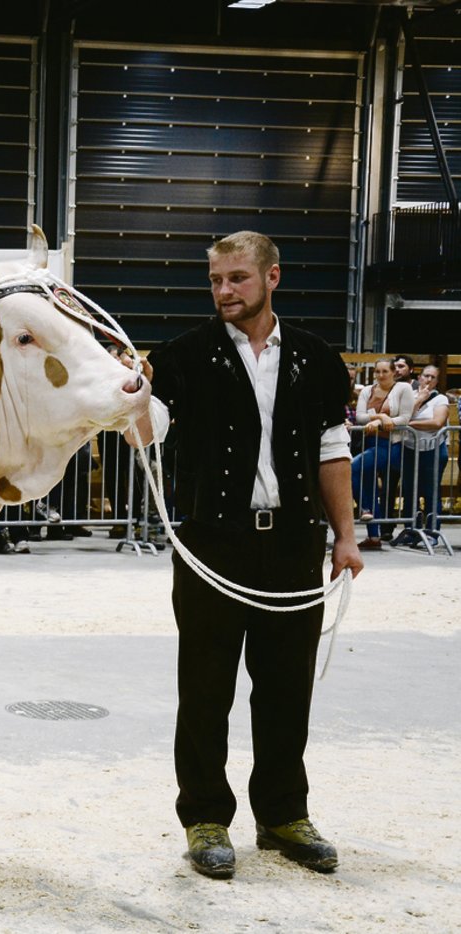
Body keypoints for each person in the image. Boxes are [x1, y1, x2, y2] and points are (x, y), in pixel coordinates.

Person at [124, 230, 363, 881]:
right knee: (204, 686)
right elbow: (147, 434)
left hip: (294, 544)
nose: (225, 291)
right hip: (211, 543)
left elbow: (331, 451)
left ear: (272, 278)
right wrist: (131, 398)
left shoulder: (317, 359)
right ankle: (205, 817)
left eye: (238, 279)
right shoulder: (179, 357)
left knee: (286, 688)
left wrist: (345, 535)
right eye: (216, 281)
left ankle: (284, 815)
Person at [350, 358, 414, 548]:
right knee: (368, 486)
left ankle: (364, 507)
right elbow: (359, 416)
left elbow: (405, 418)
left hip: (390, 445)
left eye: (385, 371)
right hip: (368, 442)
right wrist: (380, 416)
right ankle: (374, 537)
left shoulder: (403, 389)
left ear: (394, 372)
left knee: (353, 467)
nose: (380, 375)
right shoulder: (367, 391)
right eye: (377, 371)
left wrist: (382, 422)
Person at [395, 364, 452, 547]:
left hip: (433, 449)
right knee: (410, 491)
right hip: (410, 448)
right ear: (419, 377)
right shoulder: (410, 396)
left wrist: (409, 423)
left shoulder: (440, 398)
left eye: (432, 377)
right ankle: (411, 531)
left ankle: (432, 532)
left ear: (437, 381)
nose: (428, 380)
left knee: (430, 492)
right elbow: (401, 416)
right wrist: (418, 400)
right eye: (425, 376)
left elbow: (437, 422)